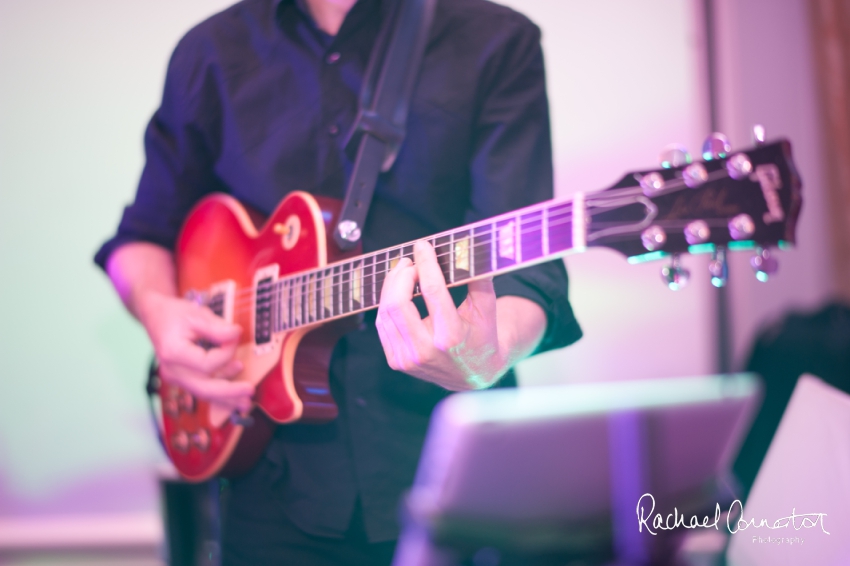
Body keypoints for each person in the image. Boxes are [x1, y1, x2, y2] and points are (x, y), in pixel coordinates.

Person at [95, 0, 582, 563]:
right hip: (271, 480)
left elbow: (528, 267)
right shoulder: (208, 53)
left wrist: (490, 352)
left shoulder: (495, 38)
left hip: (453, 473)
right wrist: (160, 311)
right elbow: (141, 238)